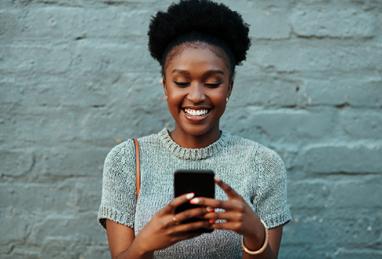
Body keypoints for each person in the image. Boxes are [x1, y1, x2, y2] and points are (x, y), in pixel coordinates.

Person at [97, 0, 291, 258]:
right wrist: (146, 243)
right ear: (166, 86)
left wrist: (255, 234)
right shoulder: (126, 160)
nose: (197, 95)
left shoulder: (263, 163)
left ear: (229, 88)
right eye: (181, 82)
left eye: (212, 83)